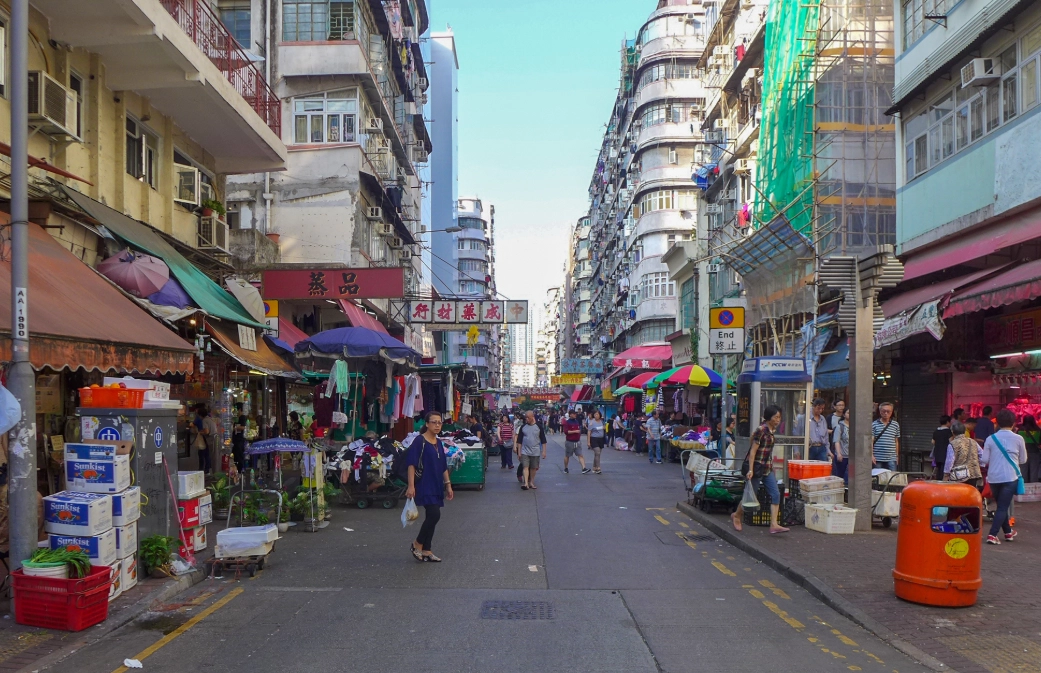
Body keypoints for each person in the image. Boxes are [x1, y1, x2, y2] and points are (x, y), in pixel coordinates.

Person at [732, 405, 789, 534]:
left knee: (775, 494)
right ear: (769, 418)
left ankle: (774, 524)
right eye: (776, 417)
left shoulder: (772, 430)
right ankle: (737, 515)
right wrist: (750, 470)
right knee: (750, 496)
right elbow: (753, 452)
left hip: (767, 468)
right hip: (756, 468)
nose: (778, 420)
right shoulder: (761, 430)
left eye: (779, 417)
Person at [406, 412, 453, 562]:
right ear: (427, 424)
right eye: (434, 422)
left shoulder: (438, 443)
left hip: (436, 484)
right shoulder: (419, 441)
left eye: (439, 422)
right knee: (434, 514)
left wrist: (448, 485)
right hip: (424, 484)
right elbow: (411, 464)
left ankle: (427, 549)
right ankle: (417, 543)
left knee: (433, 516)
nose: (437, 425)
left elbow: (443, 466)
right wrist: (411, 486)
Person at [980, 409, 1027, 545]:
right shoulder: (1018, 438)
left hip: (993, 478)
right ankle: (992, 535)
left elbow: (984, 460)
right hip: (1010, 477)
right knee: (1002, 507)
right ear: (1013, 423)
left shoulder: (990, 439)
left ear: (997, 423)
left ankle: (1008, 532)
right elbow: (1023, 459)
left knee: (1001, 505)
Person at [943, 420, 982, 488]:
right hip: (973, 474)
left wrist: (946, 475)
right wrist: (978, 464)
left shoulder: (953, 444)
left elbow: (949, 461)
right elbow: (982, 455)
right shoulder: (973, 442)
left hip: (959, 475)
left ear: (952, 432)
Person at [515, 411, 547, 490]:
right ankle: (526, 483)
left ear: (532, 417)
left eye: (528, 417)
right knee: (525, 466)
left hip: (535, 451)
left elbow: (543, 440)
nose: (526, 419)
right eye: (525, 417)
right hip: (525, 451)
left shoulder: (538, 427)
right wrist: (519, 452)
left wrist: (544, 451)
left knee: (533, 467)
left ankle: (531, 482)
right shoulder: (523, 427)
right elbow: (519, 440)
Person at [871, 402, 900, 471]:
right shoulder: (874, 424)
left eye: (888, 411)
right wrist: (871, 455)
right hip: (878, 457)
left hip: (891, 457)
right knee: (878, 478)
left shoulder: (895, 425)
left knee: (892, 478)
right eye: (884, 411)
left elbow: (896, 441)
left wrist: (897, 456)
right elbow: (871, 441)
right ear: (880, 412)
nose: (886, 413)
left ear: (892, 412)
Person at [561, 410, 590, 474]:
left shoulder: (576, 421)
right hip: (570, 441)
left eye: (575, 414)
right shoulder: (567, 422)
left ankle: (584, 468)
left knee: (580, 455)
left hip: (577, 441)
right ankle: (566, 468)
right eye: (574, 414)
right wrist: (575, 431)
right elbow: (566, 432)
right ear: (570, 414)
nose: (575, 415)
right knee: (567, 455)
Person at [189, 406, 213, 474]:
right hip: (210, 438)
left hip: (205, 438)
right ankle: (206, 469)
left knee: (202, 454)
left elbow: (206, 431)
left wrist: (200, 432)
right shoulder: (209, 418)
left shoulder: (202, 420)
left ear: (199, 414)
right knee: (207, 454)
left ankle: (202, 470)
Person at [1018, 415, 1041, 483]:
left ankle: (1024, 488)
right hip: (1035, 453)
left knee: (1023, 471)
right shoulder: (1038, 430)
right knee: (1034, 472)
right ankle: (1034, 488)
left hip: (1023, 453)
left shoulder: (1020, 430)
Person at [808, 398, 831, 463]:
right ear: (813, 406)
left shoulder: (822, 418)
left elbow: (826, 436)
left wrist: (828, 450)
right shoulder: (806, 417)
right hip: (810, 447)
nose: (820, 410)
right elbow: (798, 432)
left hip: (821, 447)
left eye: (822, 409)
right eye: (818, 408)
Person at [931, 415, 953, 481]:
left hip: (937, 453)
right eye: (950, 422)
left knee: (938, 468)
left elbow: (933, 442)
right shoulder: (948, 431)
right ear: (947, 422)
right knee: (944, 470)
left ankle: (938, 481)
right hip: (945, 453)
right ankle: (942, 483)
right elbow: (951, 442)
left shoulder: (936, 431)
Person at [833, 408, 850, 484]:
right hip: (843, 455)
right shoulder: (840, 426)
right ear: (844, 414)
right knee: (840, 476)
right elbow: (837, 441)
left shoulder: (856, 426)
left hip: (852, 456)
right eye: (848, 413)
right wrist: (839, 453)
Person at [231, 403, 248, 473]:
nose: (235, 412)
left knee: (239, 455)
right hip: (235, 440)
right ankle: (236, 470)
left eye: (236, 410)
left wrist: (235, 428)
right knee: (235, 455)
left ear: (240, 410)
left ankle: (240, 470)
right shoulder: (236, 418)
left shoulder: (242, 417)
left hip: (240, 440)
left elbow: (243, 427)